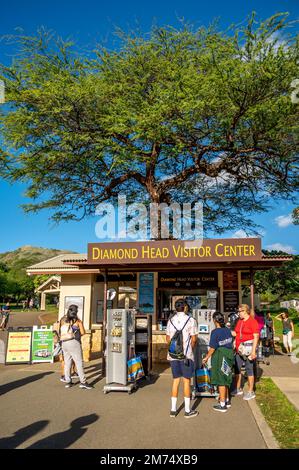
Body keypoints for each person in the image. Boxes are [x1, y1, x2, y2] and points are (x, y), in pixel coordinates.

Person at [166, 298, 198, 419]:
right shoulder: (191, 320)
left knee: (175, 380)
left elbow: (168, 339)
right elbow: (194, 339)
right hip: (186, 355)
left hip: (174, 355)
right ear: (185, 307)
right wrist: (190, 348)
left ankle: (173, 410)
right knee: (186, 381)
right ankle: (188, 410)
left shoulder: (171, 320)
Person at [202, 311, 234, 413]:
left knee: (221, 380)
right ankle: (227, 400)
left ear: (215, 320)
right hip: (229, 355)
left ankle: (222, 404)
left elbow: (212, 348)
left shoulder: (215, 332)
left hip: (220, 356)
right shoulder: (227, 330)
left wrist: (206, 357)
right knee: (226, 376)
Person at [60, 305, 93, 389]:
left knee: (67, 363)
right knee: (79, 363)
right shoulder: (78, 321)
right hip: (74, 342)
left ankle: (68, 381)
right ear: (76, 312)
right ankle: (83, 382)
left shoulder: (63, 320)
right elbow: (83, 332)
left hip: (64, 343)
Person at [231, 304, 259, 401]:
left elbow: (256, 337)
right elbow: (236, 333)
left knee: (249, 370)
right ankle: (238, 388)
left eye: (240, 311)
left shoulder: (253, 322)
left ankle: (251, 391)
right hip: (239, 350)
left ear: (245, 311)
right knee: (237, 369)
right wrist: (226, 331)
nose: (238, 313)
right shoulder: (240, 321)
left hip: (248, 350)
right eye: (238, 311)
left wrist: (253, 352)